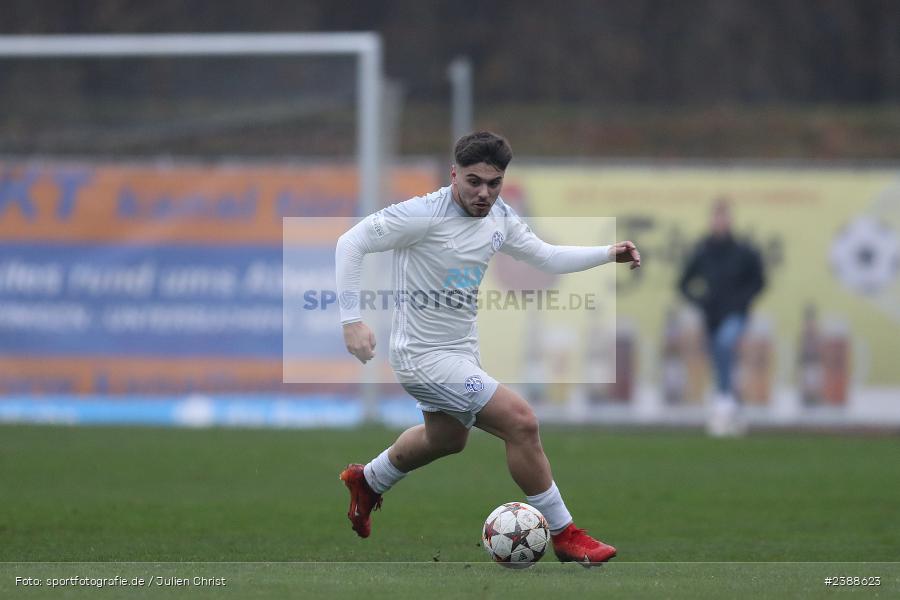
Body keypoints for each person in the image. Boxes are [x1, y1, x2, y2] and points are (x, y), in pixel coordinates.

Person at [334, 131, 640, 565]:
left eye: (493, 183)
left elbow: (545, 257)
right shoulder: (421, 213)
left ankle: (369, 480)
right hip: (421, 357)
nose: (483, 193)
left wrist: (607, 253)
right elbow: (351, 243)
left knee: (447, 439)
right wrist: (351, 320)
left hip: (460, 351)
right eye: (473, 181)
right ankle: (565, 533)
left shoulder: (500, 218)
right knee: (521, 422)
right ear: (454, 174)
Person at [678, 198, 765, 436]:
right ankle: (732, 410)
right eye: (716, 219)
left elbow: (759, 281)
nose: (720, 223)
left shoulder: (742, 252)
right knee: (720, 360)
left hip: (735, 314)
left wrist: (742, 301)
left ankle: (723, 402)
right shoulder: (703, 251)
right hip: (711, 316)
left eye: (723, 218)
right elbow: (683, 283)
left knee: (724, 344)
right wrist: (701, 301)